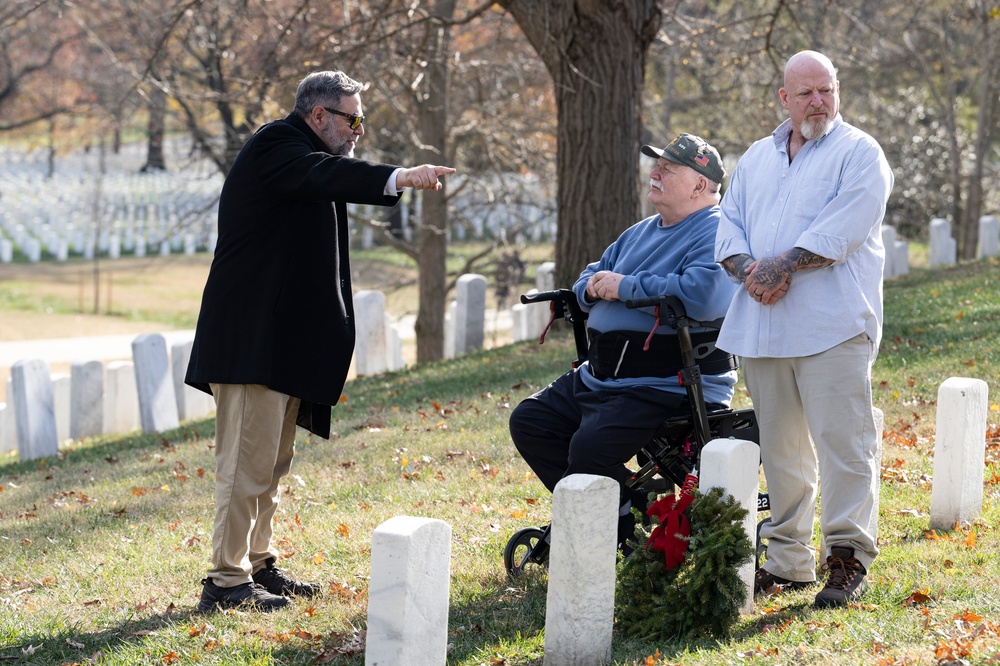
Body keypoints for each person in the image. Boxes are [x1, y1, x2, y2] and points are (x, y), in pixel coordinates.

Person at [185, 70, 455, 612]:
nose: (359, 129)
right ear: (318, 116)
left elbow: (326, 179)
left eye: (361, 118)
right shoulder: (276, 145)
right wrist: (402, 176)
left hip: (281, 345)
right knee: (243, 465)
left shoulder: (306, 158)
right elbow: (324, 174)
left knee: (271, 464)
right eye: (352, 118)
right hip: (251, 343)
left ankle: (259, 565)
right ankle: (225, 581)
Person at [714, 50, 893, 608]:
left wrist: (782, 264)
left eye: (827, 90)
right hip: (764, 328)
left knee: (845, 446)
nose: (818, 102)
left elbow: (844, 228)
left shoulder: (859, 153)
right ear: (783, 99)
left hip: (832, 326)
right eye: (806, 93)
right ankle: (789, 561)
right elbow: (729, 226)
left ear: (837, 91)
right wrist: (749, 270)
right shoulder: (755, 158)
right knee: (783, 452)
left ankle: (846, 558)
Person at [509, 133, 739, 551]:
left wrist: (623, 288)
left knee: (589, 448)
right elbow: (590, 276)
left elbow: (706, 295)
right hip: (602, 377)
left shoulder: (716, 230)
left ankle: (600, 528)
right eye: (657, 165)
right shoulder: (639, 232)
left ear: (700, 185)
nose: (655, 173)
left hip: (668, 383)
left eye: (669, 169)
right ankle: (625, 504)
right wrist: (592, 290)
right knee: (530, 421)